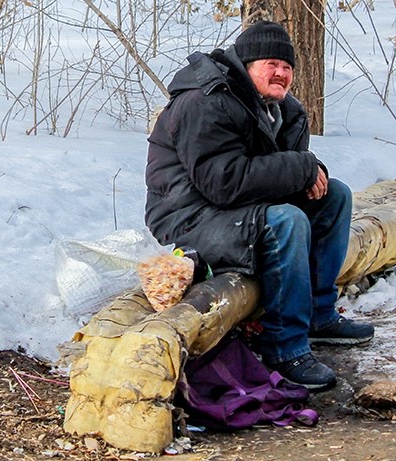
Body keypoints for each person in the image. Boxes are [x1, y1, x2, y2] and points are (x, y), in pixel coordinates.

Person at [145, 20, 373, 391]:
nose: (281, 73)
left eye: (287, 67)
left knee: (336, 196)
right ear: (246, 65)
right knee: (286, 221)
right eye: (272, 64)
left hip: (235, 209)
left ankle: (319, 314)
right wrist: (301, 168)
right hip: (187, 216)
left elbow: (286, 175)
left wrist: (310, 173)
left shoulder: (282, 109)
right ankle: (285, 346)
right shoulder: (206, 101)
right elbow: (224, 182)